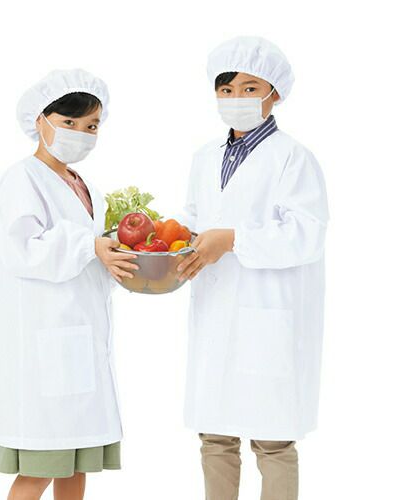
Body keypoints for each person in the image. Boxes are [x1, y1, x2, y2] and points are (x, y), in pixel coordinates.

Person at [175, 37, 329, 500]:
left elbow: (307, 234)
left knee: (273, 439)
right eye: (226, 90)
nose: (235, 98)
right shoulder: (204, 157)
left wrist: (233, 240)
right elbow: (194, 218)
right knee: (215, 436)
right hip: (216, 310)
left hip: (269, 315)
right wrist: (175, 244)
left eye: (249, 88)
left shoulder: (293, 158)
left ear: (274, 93)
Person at [0, 69, 138, 500]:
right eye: (69, 122)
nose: (80, 133)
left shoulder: (81, 185)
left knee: (76, 465)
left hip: (81, 338)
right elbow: (22, 249)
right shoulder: (22, 178)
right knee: (40, 467)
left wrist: (119, 256)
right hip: (46, 342)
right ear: (40, 120)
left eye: (91, 126)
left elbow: (91, 253)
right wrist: (90, 246)